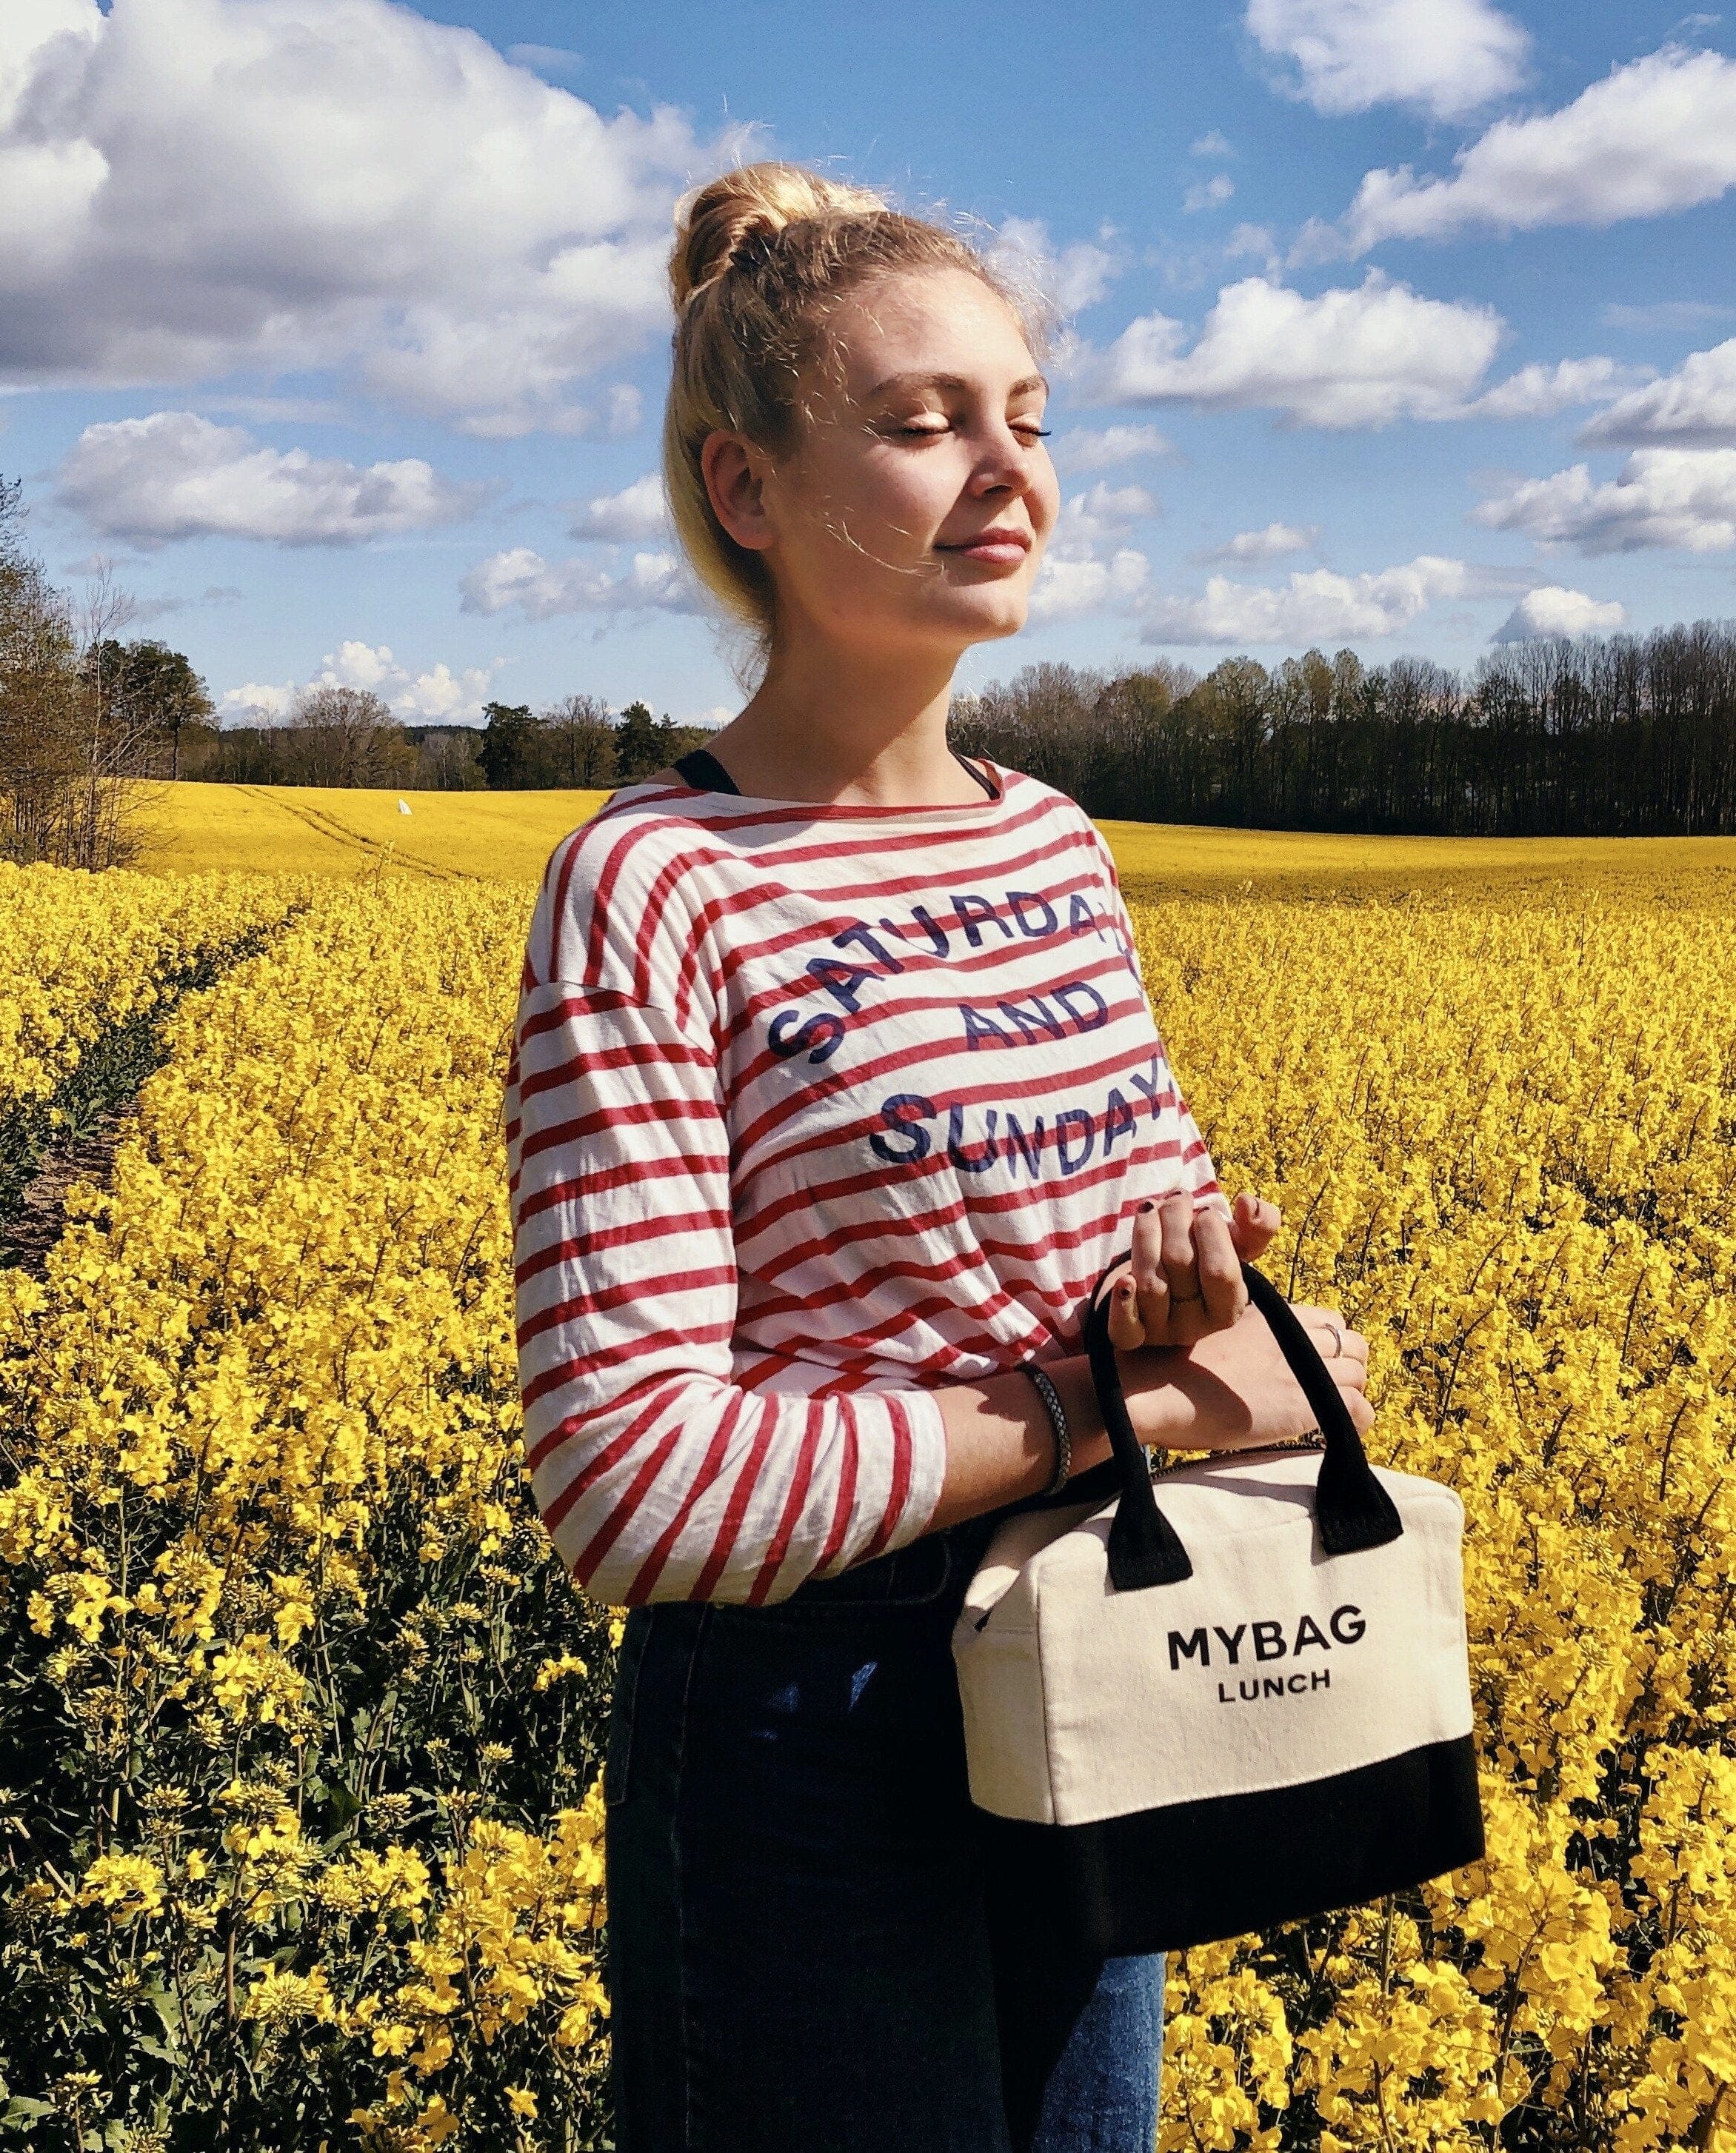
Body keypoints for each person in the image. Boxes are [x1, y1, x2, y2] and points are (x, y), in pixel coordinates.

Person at [500, 158, 1373, 2153]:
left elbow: (1127, 1230)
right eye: (920, 423)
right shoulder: (651, 882)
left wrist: (1187, 1283)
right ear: (746, 488)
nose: (1005, 472)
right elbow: (628, 1486)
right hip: (811, 1727)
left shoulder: (1052, 844)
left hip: (1090, 1644)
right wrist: (1096, 1407)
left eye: (1027, 420)